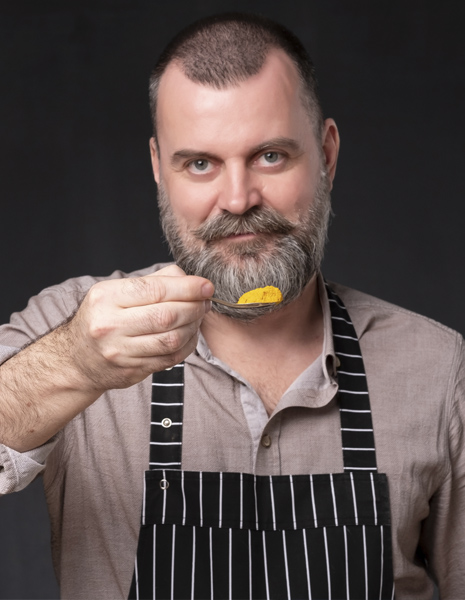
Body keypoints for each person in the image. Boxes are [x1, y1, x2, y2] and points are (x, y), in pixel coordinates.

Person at [0, 12, 463, 600]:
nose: (239, 199)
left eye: (270, 156)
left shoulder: (439, 369)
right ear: (158, 172)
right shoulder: (75, 326)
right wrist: (73, 364)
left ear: (327, 154)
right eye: (200, 164)